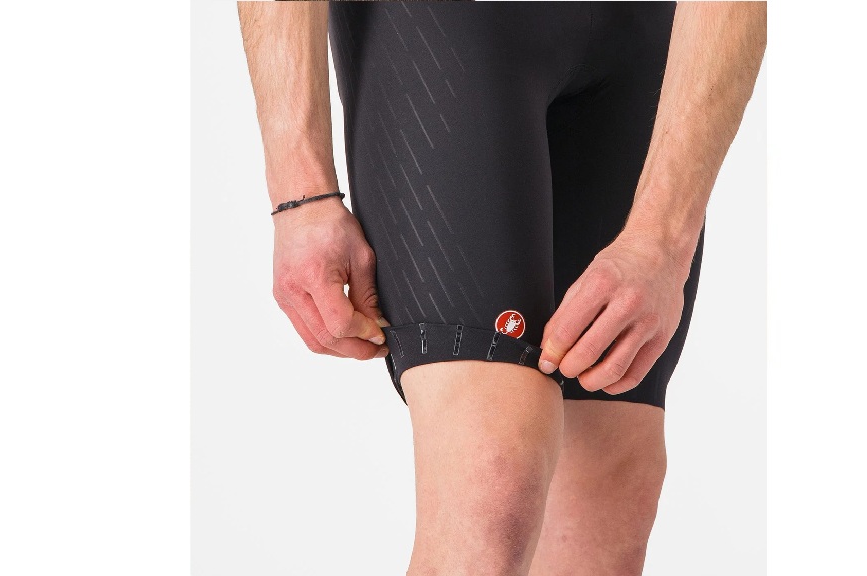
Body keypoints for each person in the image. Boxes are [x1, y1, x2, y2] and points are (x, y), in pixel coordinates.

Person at [238, 1, 765, 574]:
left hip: (648, 36)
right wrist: (301, 193)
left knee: (608, 504)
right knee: (490, 480)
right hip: (446, 29)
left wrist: (660, 244)